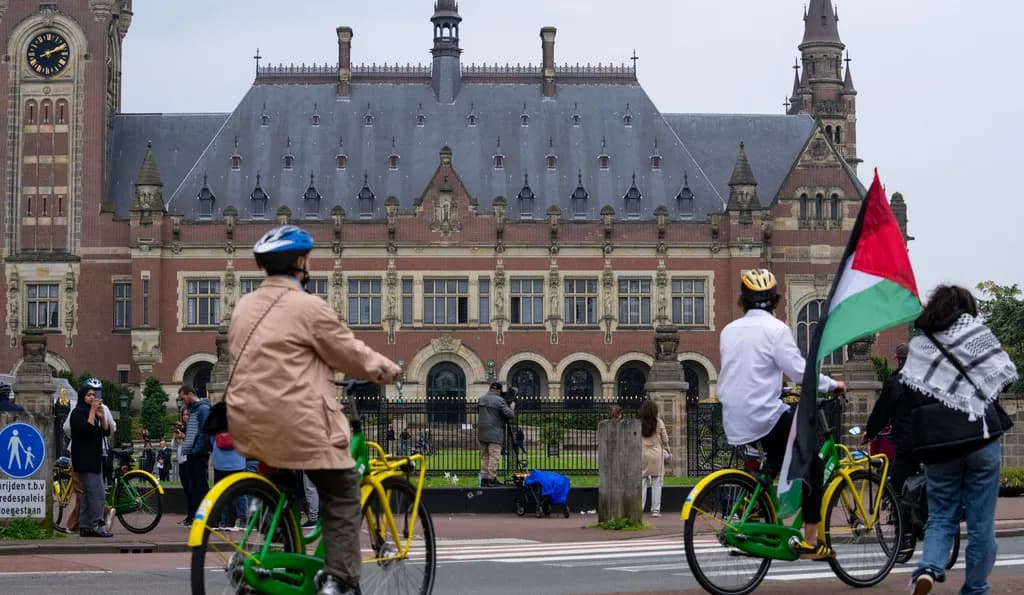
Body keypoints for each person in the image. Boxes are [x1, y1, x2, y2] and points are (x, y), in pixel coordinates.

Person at [226, 225, 401, 595]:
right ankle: (339, 579)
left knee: (282, 483)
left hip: (246, 420)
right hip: (297, 422)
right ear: (301, 263)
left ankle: (264, 556)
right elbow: (348, 352)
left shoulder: (243, 306)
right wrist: (387, 370)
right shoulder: (308, 307)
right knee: (341, 493)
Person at [718, 269, 845, 560]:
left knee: (773, 464)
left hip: (734, 417)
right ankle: (812, 541)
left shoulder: (728, 331)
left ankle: (760, 528)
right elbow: (800, 372)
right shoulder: (776, 330)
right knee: (812, 462)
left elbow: (749, 370)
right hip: (764, 415)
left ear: (743, 300)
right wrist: (832, 384)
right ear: (776, 300)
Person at [904, 285, 1018, 595]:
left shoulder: (919, 345)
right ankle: (975, 587)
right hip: (980, 440)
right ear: (966, 307)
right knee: (982, 524)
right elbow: (1003, 374)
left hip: (940, 446)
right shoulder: (975, 333)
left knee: (941, 515)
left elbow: (913, 392)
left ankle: (928, 568)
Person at [864, 343, 917, 554]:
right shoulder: (927, 379)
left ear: (898, 360)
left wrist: (869, 432)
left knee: (896, 488)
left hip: (906, 443)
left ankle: (903, 536)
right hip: (930, 441)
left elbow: (882, 412)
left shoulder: (895, 382)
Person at [67, 378, 113, 538]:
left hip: (95, 457)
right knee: (97, 493)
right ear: (82, 397)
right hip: (84, 458)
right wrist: (93, 412)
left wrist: (102, 416)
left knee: (87, 494)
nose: (93, 398)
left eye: (94, 395)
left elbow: (106, 432)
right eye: (89, 395)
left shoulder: (93, 412)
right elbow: (85, 430)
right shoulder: (77, 413)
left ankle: (85, 526)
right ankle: (97, 524)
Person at [178, 385, 211, 527]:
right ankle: (195, 517)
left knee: (200, 486)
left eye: (183, 397)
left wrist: (196, 450)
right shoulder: (194, 409)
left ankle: (203, 518)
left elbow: (204, 432)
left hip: (197, 454)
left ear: (190, 394)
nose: (183, 401)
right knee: (194, 487)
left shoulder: (202, 409)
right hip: (192, 453)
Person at [478, 381, 515, 487]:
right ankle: (491, 479)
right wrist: (512, 406)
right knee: (494, 456)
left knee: (485, 456)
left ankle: (484, 479)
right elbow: (509, 414)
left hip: (482, 431)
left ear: (490, 389)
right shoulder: (499, 400)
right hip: (495, 432)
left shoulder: (482, 398)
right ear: (499, 390)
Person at [639, 400, 670, 518]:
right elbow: (666, 439)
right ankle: (655, 510)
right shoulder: (659, 422)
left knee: (642, 482)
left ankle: (640, 508)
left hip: (642, 454)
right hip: (656, 454)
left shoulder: (639, 422)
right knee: (657, 482)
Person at [211, 431, 247, 529]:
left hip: (219, 462)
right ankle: (242, 519)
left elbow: (211, 439)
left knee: (220, 492)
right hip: (237, 461)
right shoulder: (239, 422)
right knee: (240, 492)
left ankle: (222, 520)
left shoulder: (216, 422)